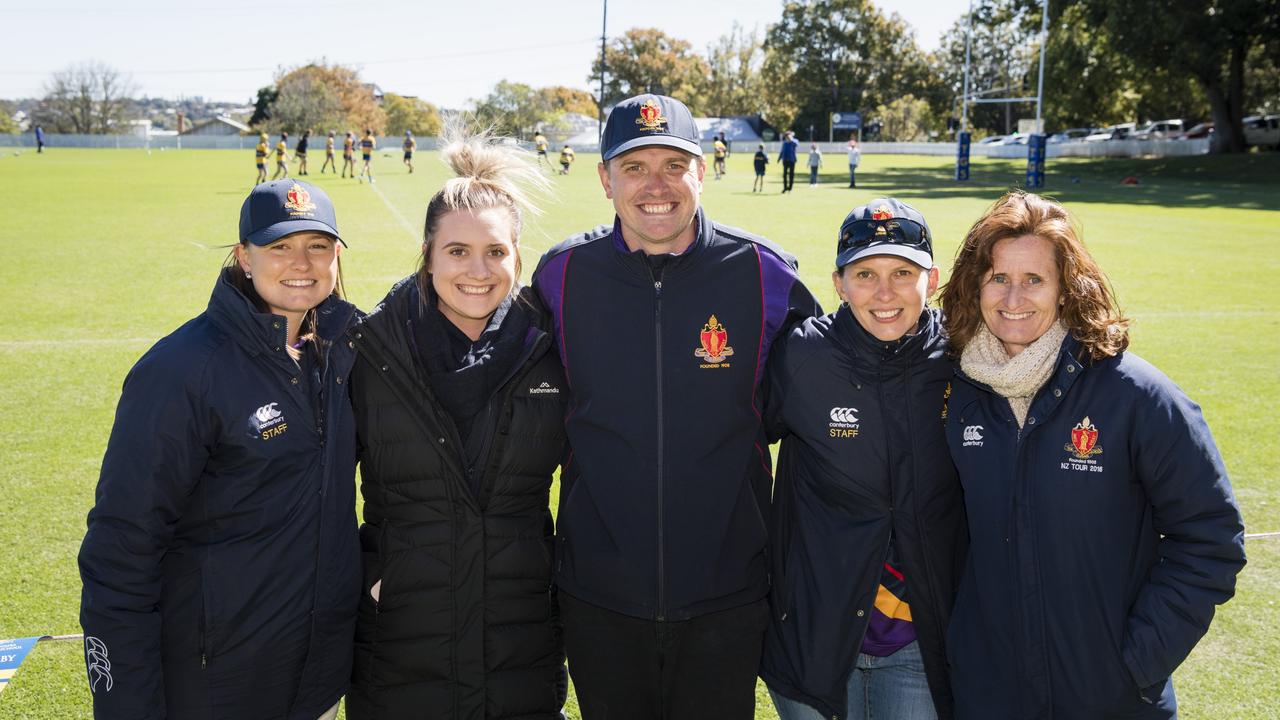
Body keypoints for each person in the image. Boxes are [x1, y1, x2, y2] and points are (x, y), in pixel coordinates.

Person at [531, 93, 820, 720]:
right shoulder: (561, 277)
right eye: (634, 167)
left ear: (704, 170)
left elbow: (824, 397)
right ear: (605, 178)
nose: (655, 186)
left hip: (728, 591)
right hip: (599, 592)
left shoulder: (765, 273)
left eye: (674, 164)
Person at [938, 190, 1246, 719]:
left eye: (1034, 279)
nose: (1014, 298)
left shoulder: (1135, 395)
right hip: (988, 695)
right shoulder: (957, 392)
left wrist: (1135, 662)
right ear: (975, 285)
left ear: (1066, 289)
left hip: (1111, 698)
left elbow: (1211, 538)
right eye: (998, 278)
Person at [78, 179, 359, 720]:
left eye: (317, 245)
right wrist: (125, 705)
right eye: (279, 246)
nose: (301, 262)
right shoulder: (181, 370)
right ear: (243, 257)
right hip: (214, 684)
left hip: (316, 679)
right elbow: (121, 548)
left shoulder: (344, 351)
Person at [345, 125, 567, 719]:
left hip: (520, 634)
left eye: (496, 252)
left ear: (518, 258)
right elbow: (314, 487)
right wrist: (373, 574)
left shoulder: (553, 352)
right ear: (428, 254)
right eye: (458, 251)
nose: (479, 270)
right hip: (401, 635)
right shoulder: (371, 351)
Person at [761, 198, 965, 720]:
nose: (884, 292)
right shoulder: (802, 356)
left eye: (903, 272)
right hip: (816, 635)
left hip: (921, 641)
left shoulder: (965, 357)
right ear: (838, 282)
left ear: (933, 278)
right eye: (865, 273)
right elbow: (727, 444)